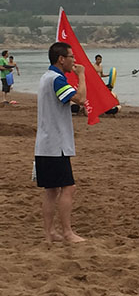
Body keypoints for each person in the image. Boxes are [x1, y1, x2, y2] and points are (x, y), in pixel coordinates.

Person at [34, 42, 87, 244]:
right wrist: (81, 75)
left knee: (51, 190)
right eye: (71, 57)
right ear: (61, 59)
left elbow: (65, 102)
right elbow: (80, 98)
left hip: (45, 144)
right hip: (56, 145)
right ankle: (67, 232)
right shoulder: (56, 79)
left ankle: (49, 233)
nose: (74, 60)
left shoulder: (46, 77)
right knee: (68, 187)